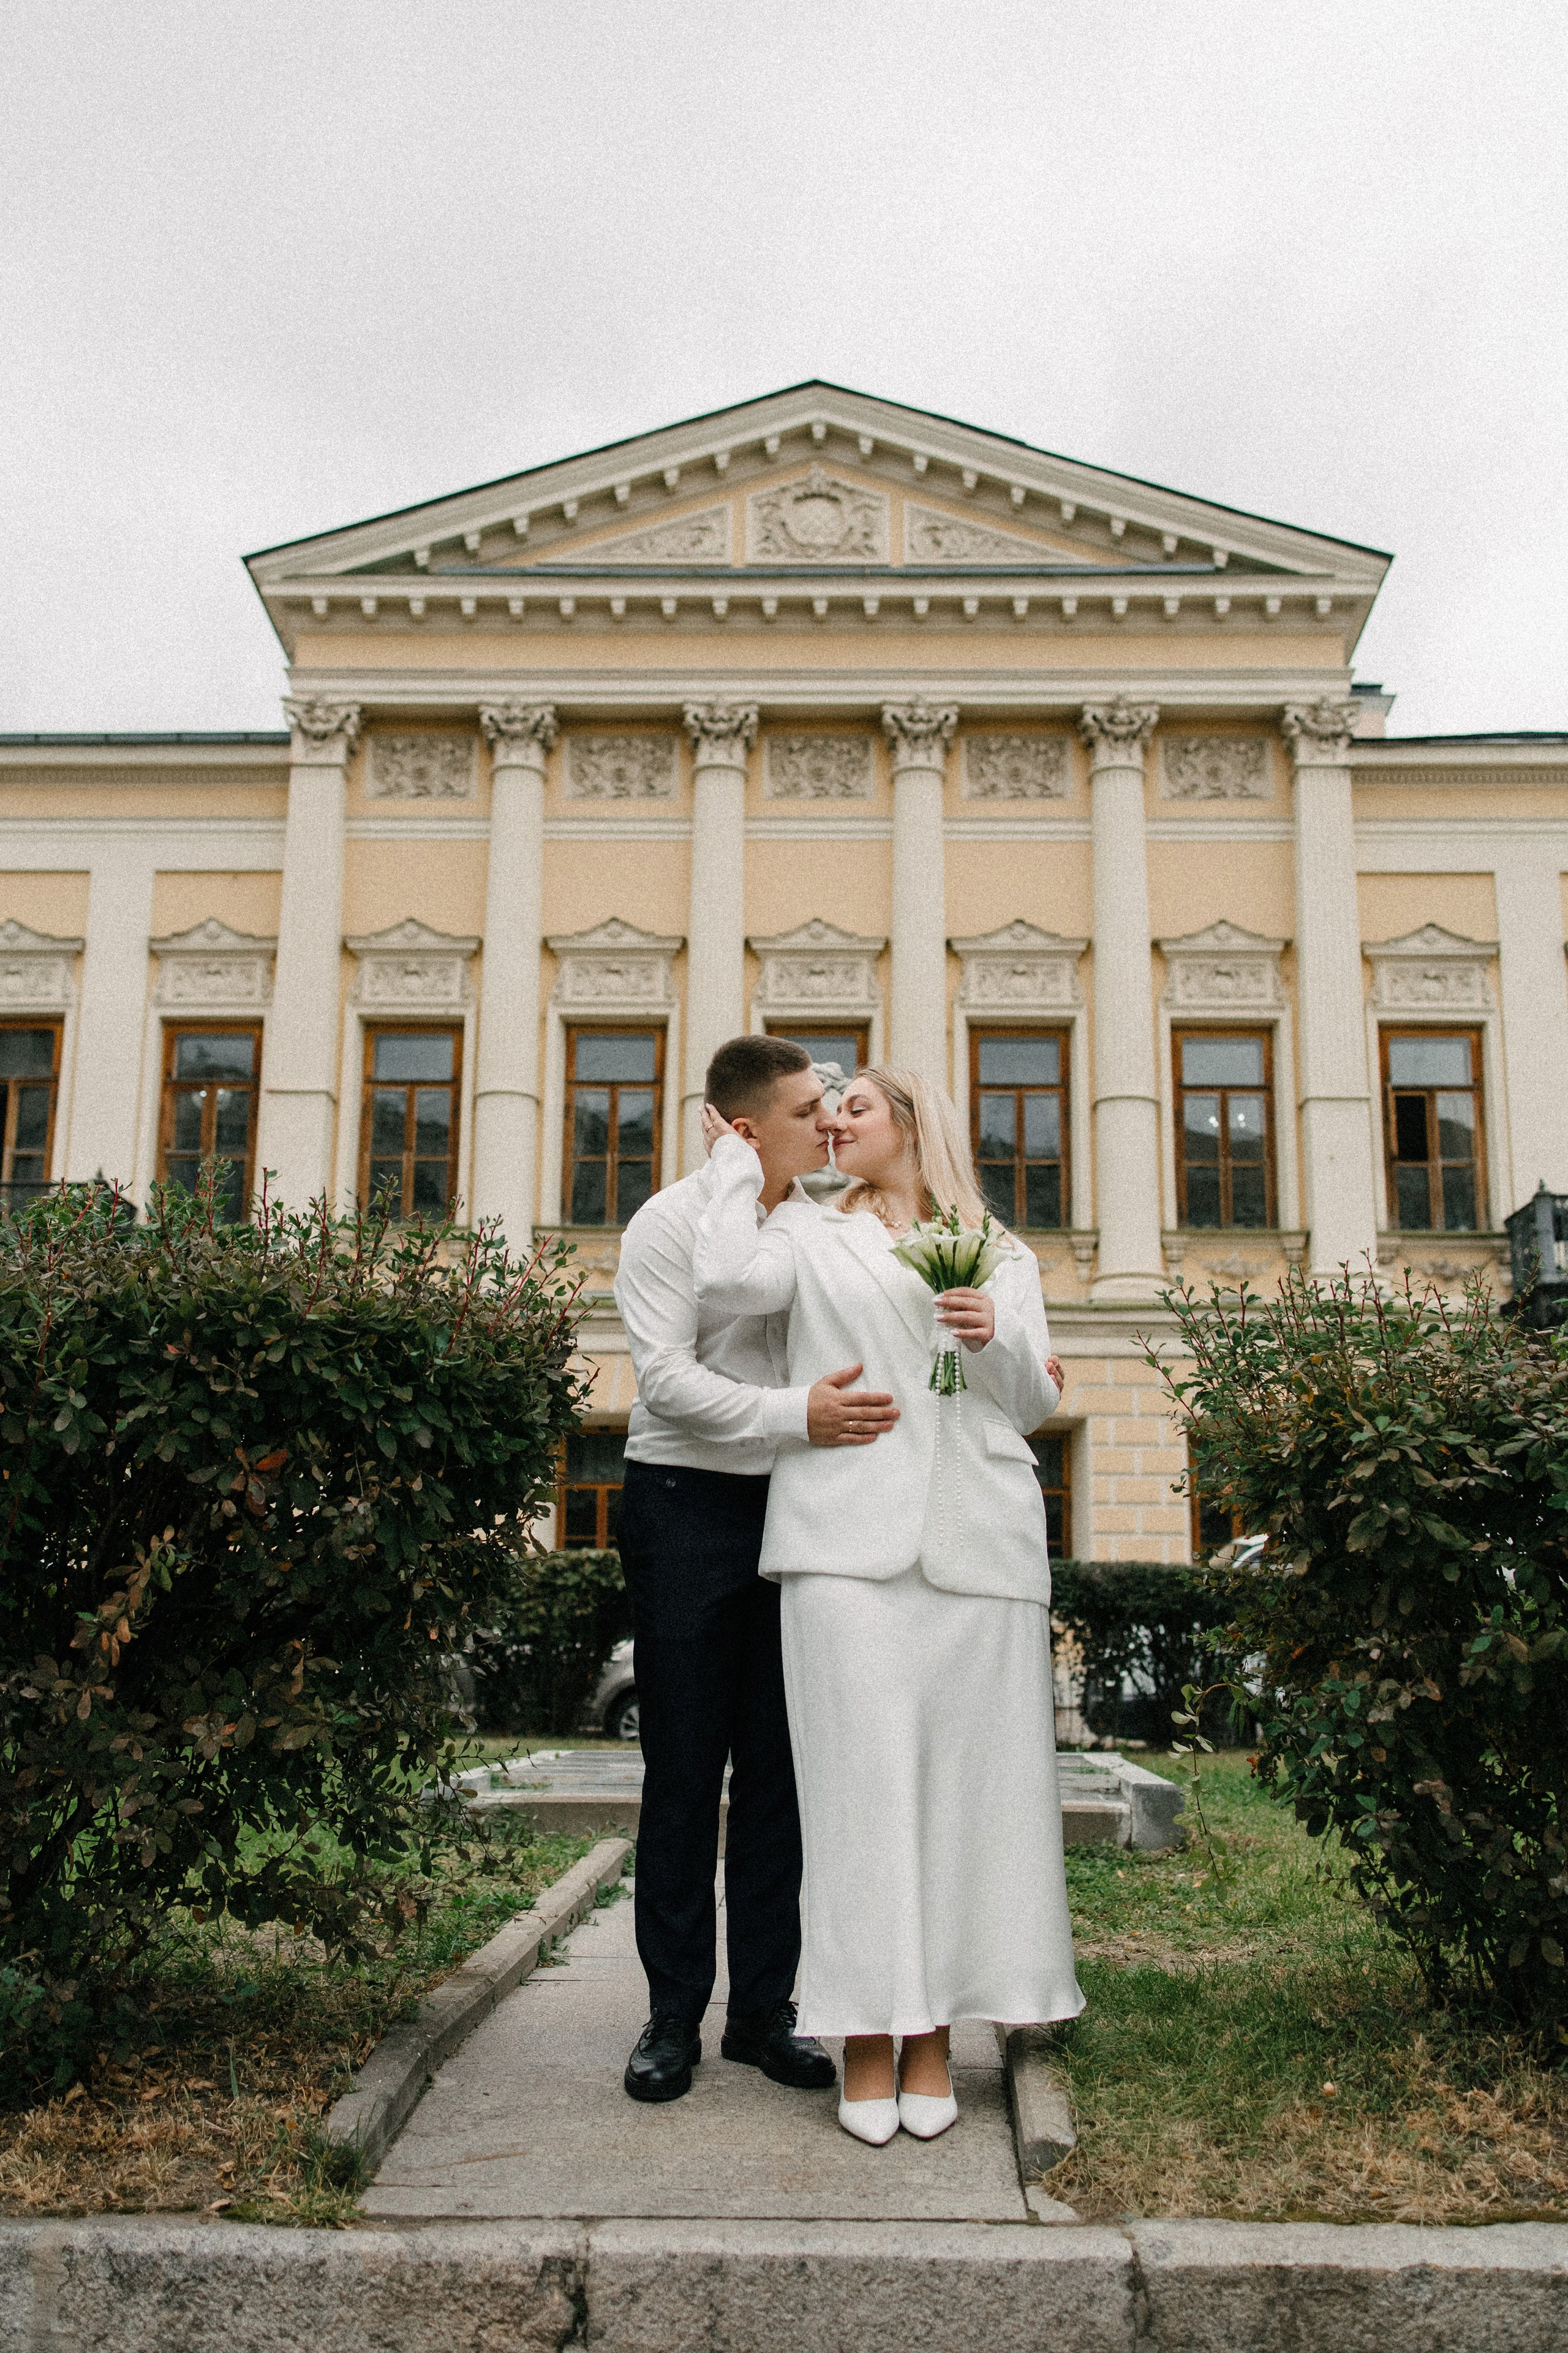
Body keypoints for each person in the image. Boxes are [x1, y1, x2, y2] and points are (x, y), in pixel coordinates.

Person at [695, 1065, 1083, 2145]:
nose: (832, 1122)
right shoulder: (810, 1234)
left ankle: (934, 2040)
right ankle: (866, 2032)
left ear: (910, 1125)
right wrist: (739, 1159)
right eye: (824, 1113)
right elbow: (725, 1284)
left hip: (979, 1549)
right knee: (856, 1796)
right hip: (843, 1546)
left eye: (853, 1109)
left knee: (964, 1803)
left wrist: (992, 1334)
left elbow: (1037, 1398)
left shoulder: (1004, 1252)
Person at [612, 1035, 900, 2104]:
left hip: (797, 1507)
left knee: (781, 1777)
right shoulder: (667, 1223)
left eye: (831, 1104)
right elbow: (669, 1384)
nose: (828, 1123)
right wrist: (800, 1415)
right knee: (684, 1773)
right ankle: (671, 2016)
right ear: (745, 1129)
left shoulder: (824, 1225)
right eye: (805, 1109)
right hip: (684, 1504)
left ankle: (764, 2014)